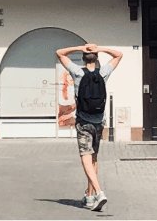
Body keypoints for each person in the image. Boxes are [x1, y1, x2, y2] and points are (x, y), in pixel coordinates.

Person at [56, 42, 123, 212]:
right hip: (99, 122)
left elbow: (60, 52)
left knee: (85, 157)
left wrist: (79, 47)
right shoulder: (103, 72)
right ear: (97, 58)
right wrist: (100, 48)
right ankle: (89, 195)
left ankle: (99, 192)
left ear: (83, 58)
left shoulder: (78, 72)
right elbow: (118, 55)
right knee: (93, 158)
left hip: (83, 122)